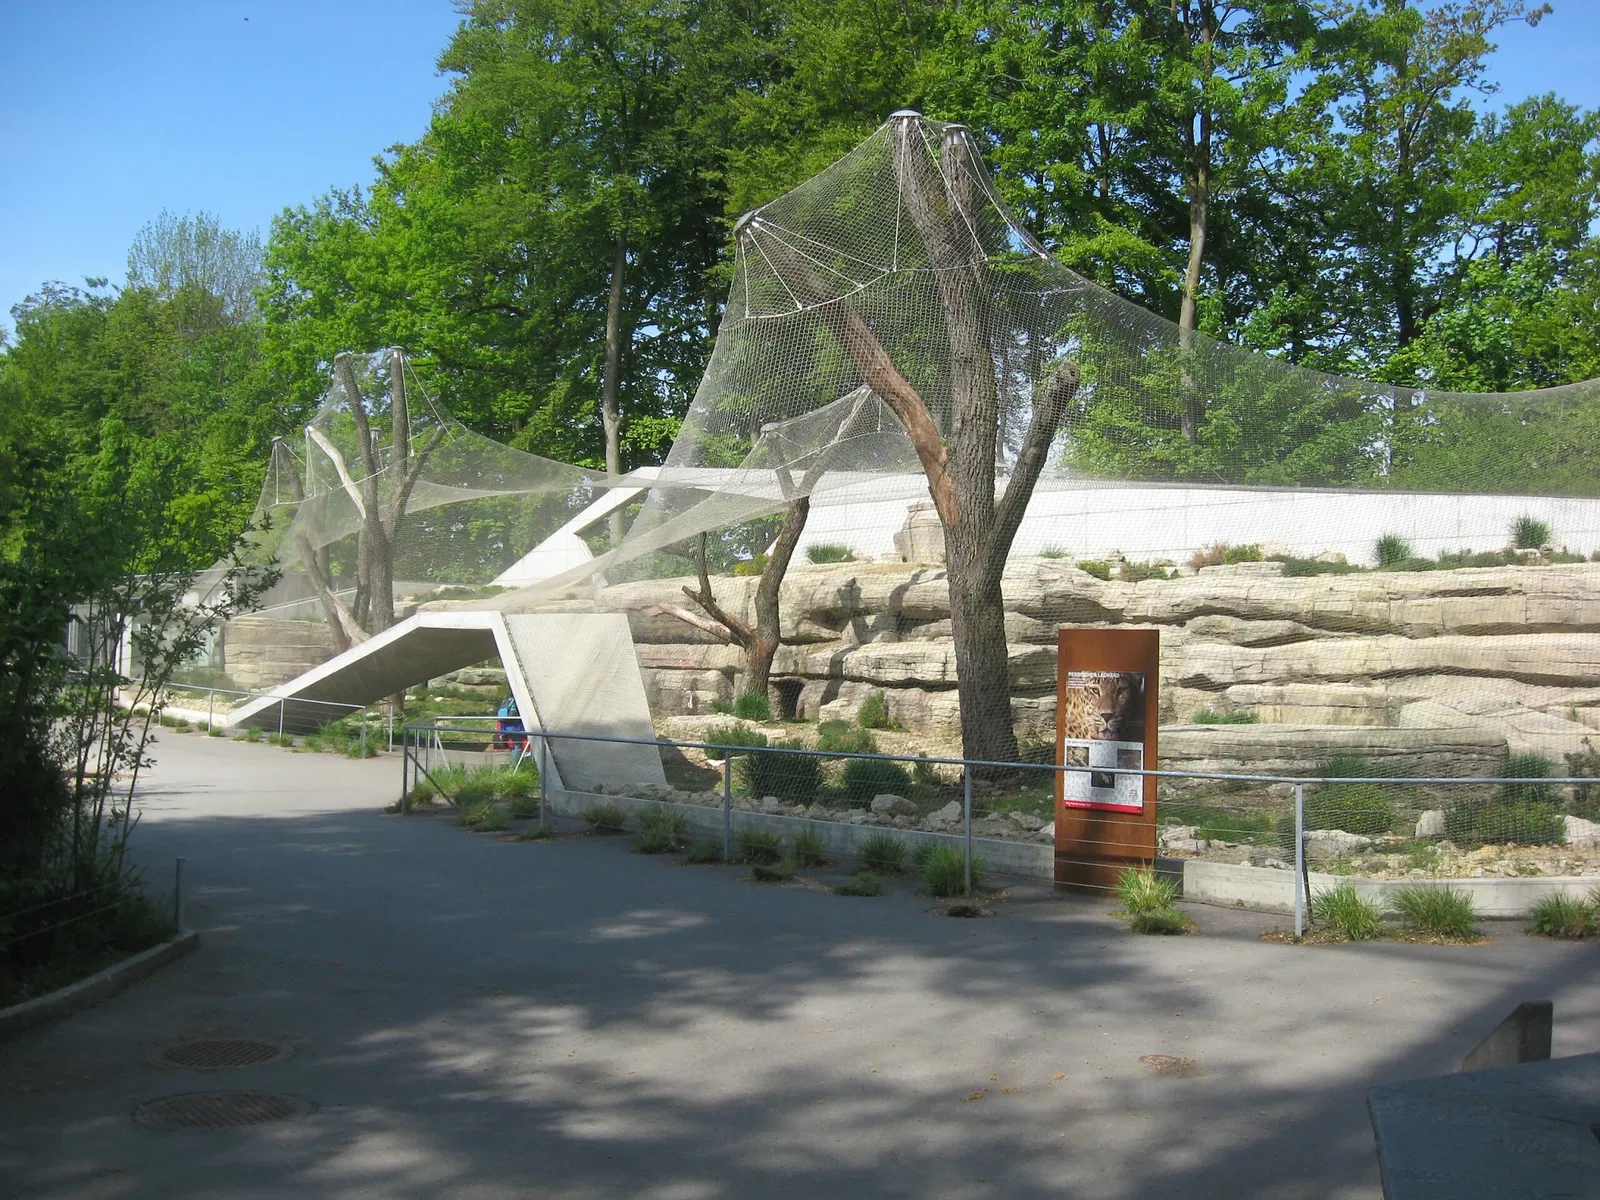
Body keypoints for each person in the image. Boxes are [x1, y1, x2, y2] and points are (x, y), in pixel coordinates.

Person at [496, 694, 527, 763]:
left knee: (515, 746)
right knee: (517, 746)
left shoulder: (506, 701)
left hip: (506, 728)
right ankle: (514, 766)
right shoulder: (518, 702)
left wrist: (501, 731)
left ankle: (514, 764)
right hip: (516, 728)